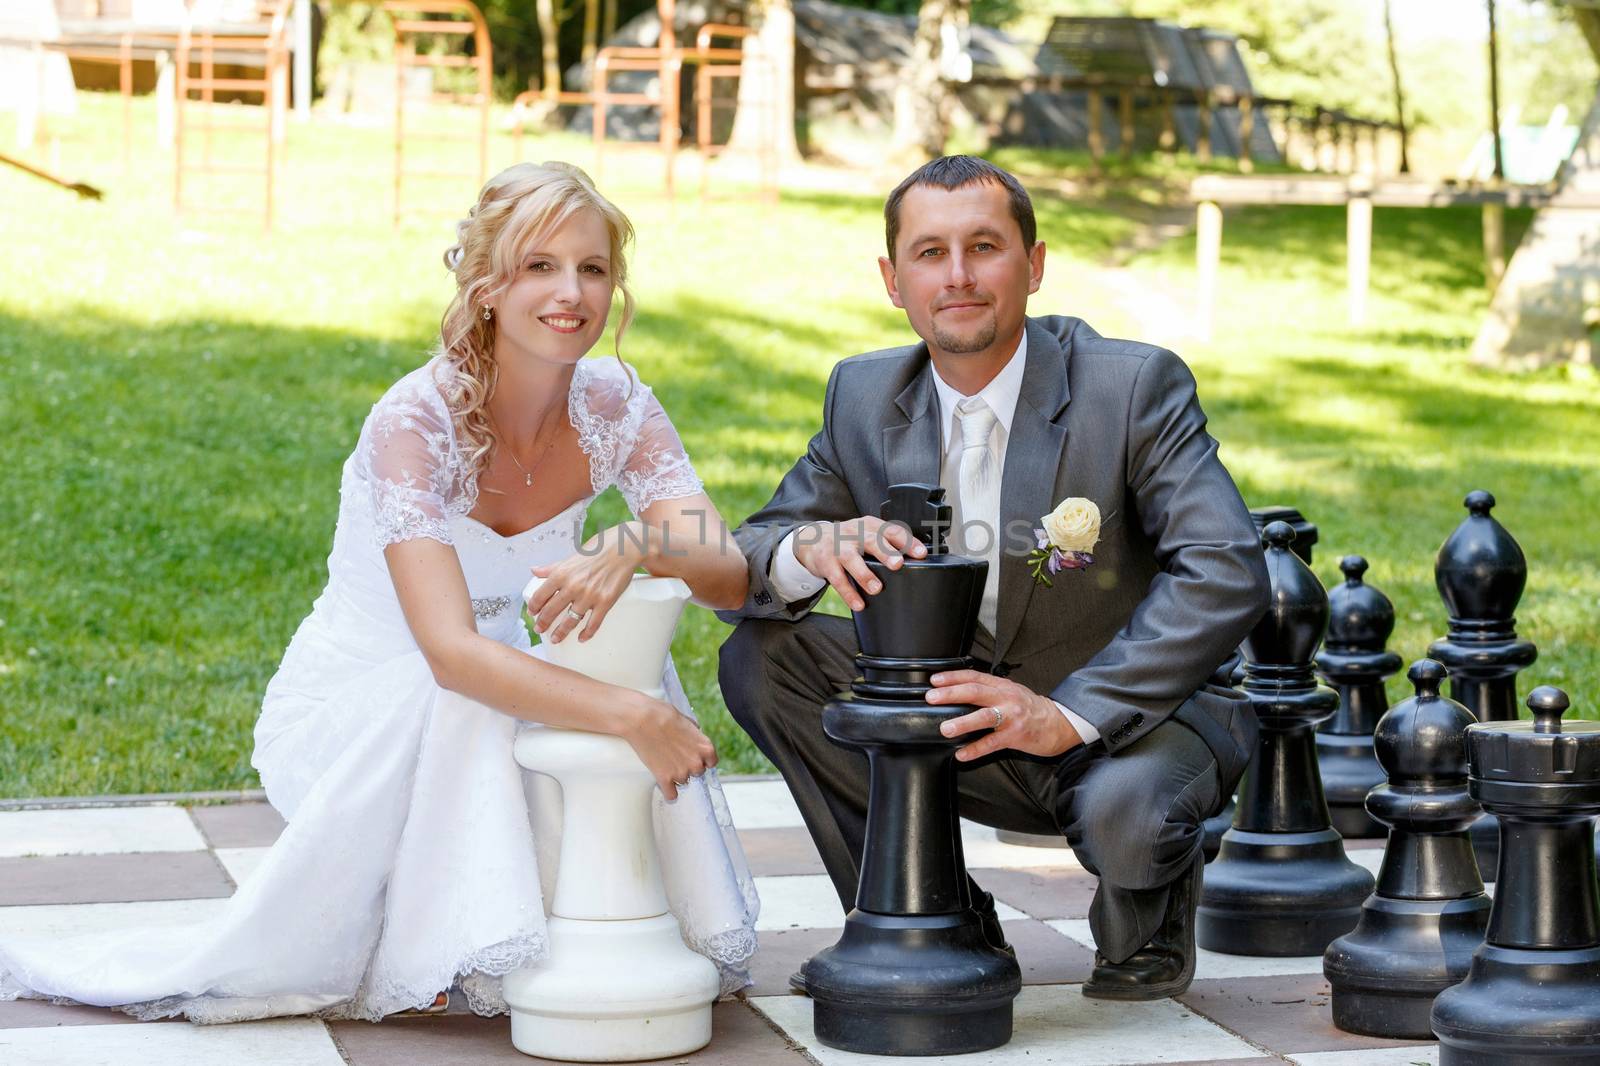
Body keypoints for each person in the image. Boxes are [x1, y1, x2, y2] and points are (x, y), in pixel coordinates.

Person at [0, 161, 759, 1022]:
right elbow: (449, 655)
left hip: (501, 675)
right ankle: (459, 951)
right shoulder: (415, 420)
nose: (572, 292)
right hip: (367, 702)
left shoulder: (619, 403)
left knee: (614, 669)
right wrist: (633, 719)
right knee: (513, 695)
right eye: (538, 265)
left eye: (592, 267)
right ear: (484, 285)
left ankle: (596, 926)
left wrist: (638, 537)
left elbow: (725, 571)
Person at [717, 155, 1269, 1001]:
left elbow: (1226, 569)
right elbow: (758, 544)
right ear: (893, 280)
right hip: (965, 723)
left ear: (1034, 264)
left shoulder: (1130, 384)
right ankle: (926, 914)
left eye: (985, 246)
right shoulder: (864, 396)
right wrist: (812, 549)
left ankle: (1148, 911)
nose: (960, 275)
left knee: (1131, 821)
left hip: (1130, 721)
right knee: (761, 657)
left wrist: (1068, 713)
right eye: (930, 253)